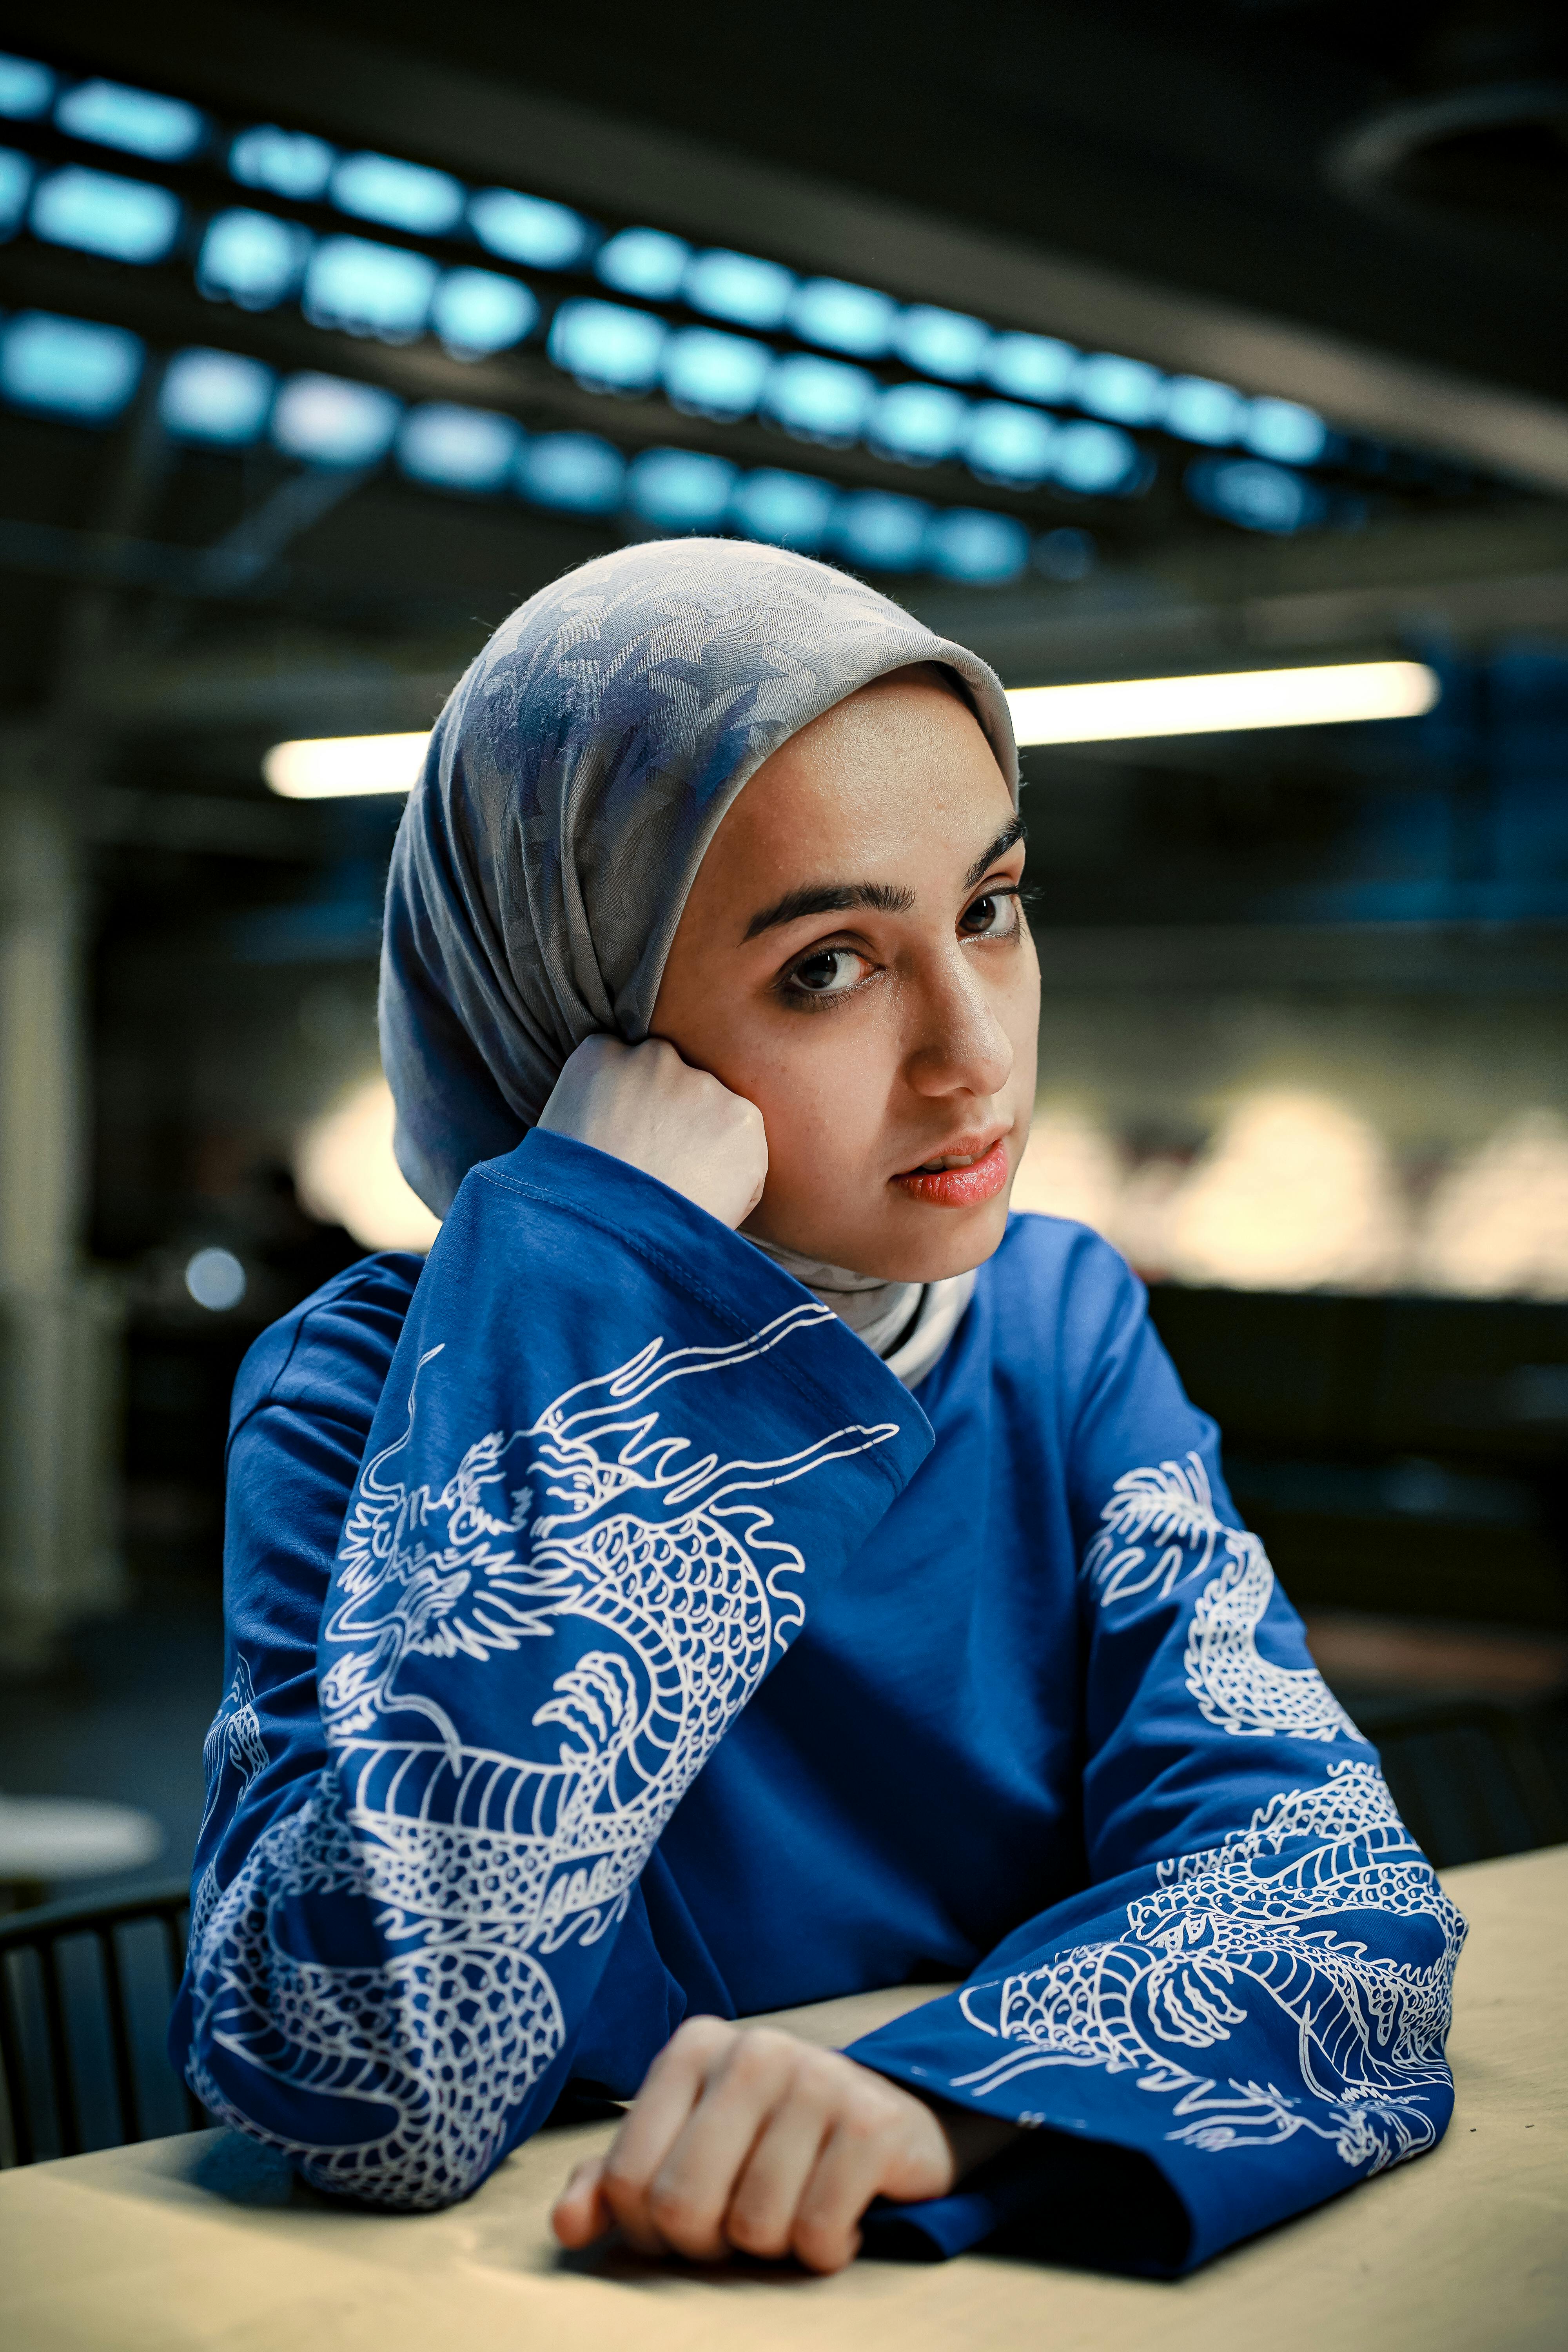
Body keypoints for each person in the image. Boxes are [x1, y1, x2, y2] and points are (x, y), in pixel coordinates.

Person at [172, 538, 1463, 2279]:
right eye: (825, 967)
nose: (972, 1056)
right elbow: (377, 2072)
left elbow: (1336, 1892)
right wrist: (582, 1275)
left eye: (988, 910)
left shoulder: (1051, 1325)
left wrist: (944, 2111)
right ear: (583, 1021)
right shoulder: (356, 1398)